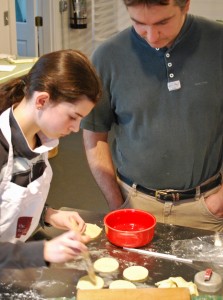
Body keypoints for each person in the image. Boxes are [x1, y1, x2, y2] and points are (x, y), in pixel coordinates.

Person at [81, 0, 223, 232]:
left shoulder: (217, 43)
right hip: (134, 206)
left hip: (206, 207)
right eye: (139, 23)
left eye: (162, 22)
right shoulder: (107, 56)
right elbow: (95, 138)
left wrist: (219, 202)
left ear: (185, 5)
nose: (152, 36)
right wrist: (117, 203)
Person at [0, 49, 101, 267]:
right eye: (73, 117)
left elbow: (13, 196)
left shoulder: (39, 137)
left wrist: (48, 214)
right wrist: (43, 251)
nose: (76, 128)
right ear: (42, 100)